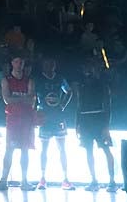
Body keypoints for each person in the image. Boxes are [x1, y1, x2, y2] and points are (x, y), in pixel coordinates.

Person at [77, 59, 117, 192]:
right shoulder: (82, 85)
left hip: (99, 122)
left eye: (91, 67)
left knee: (106, 150)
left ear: (96, 69)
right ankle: (93, 180)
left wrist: (106, 126)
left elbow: (108, 106)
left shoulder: (103, 85)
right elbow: (79, 105)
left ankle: (112, 181)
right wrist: (77, 124)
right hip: (85, 122)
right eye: (86, 67)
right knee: (88, 151)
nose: (88, 70)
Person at [0, 56, 35, 190]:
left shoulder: (29, 80)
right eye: (17, 61)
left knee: (25, 150)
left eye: (21, 62)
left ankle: (24, 181)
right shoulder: (6, 80)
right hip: (13, 119)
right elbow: (6, 99)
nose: (19, 64)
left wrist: (16, 98)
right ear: (12, 63)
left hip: (26, 120)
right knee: (9, 149)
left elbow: (31, 101)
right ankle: (3, 180)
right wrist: (23, 98)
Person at [35, 58, 74, 190]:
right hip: (44, 117)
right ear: (43, 65)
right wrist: (35, 111)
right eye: (47, 64)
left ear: (55, 65)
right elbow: (33, 96)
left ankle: (65, 178)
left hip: (58, 117)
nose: (50, 67)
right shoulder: (38, 79)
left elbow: (69, 91)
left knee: (62, 148)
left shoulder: (60, 78)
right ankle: (42, 178)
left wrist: (63, 104)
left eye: (52, 64)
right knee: (44, 149)